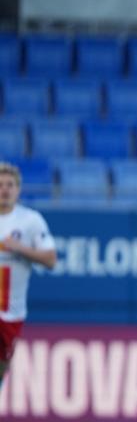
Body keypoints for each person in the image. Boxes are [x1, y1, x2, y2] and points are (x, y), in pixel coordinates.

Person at [0, 162, 57, 389]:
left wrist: (19, 248)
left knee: (3, 364)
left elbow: (50, 259)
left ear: (18, 190)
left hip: (12, 311)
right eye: (0, 185)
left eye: (9, 185)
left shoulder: (30, 221)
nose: (4, 189)